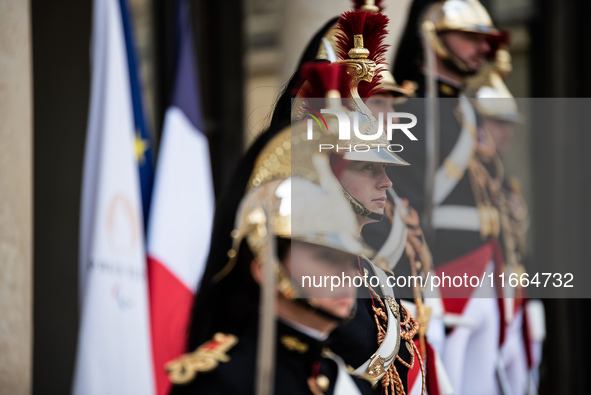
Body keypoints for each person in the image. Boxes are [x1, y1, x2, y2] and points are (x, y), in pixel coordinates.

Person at [166, 109, 377, 394]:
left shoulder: (352, 385)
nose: (346, 274)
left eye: (349, 259)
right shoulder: (219, 383)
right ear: (266, 268)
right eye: (325, 257)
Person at [384, 1, 517, 394]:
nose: (482, 49)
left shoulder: (467, 112)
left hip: (485, 273)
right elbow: (400, 203)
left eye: (485, 40)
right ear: (433, 34)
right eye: (471, 37)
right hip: (440, 277)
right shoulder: (407, 109)